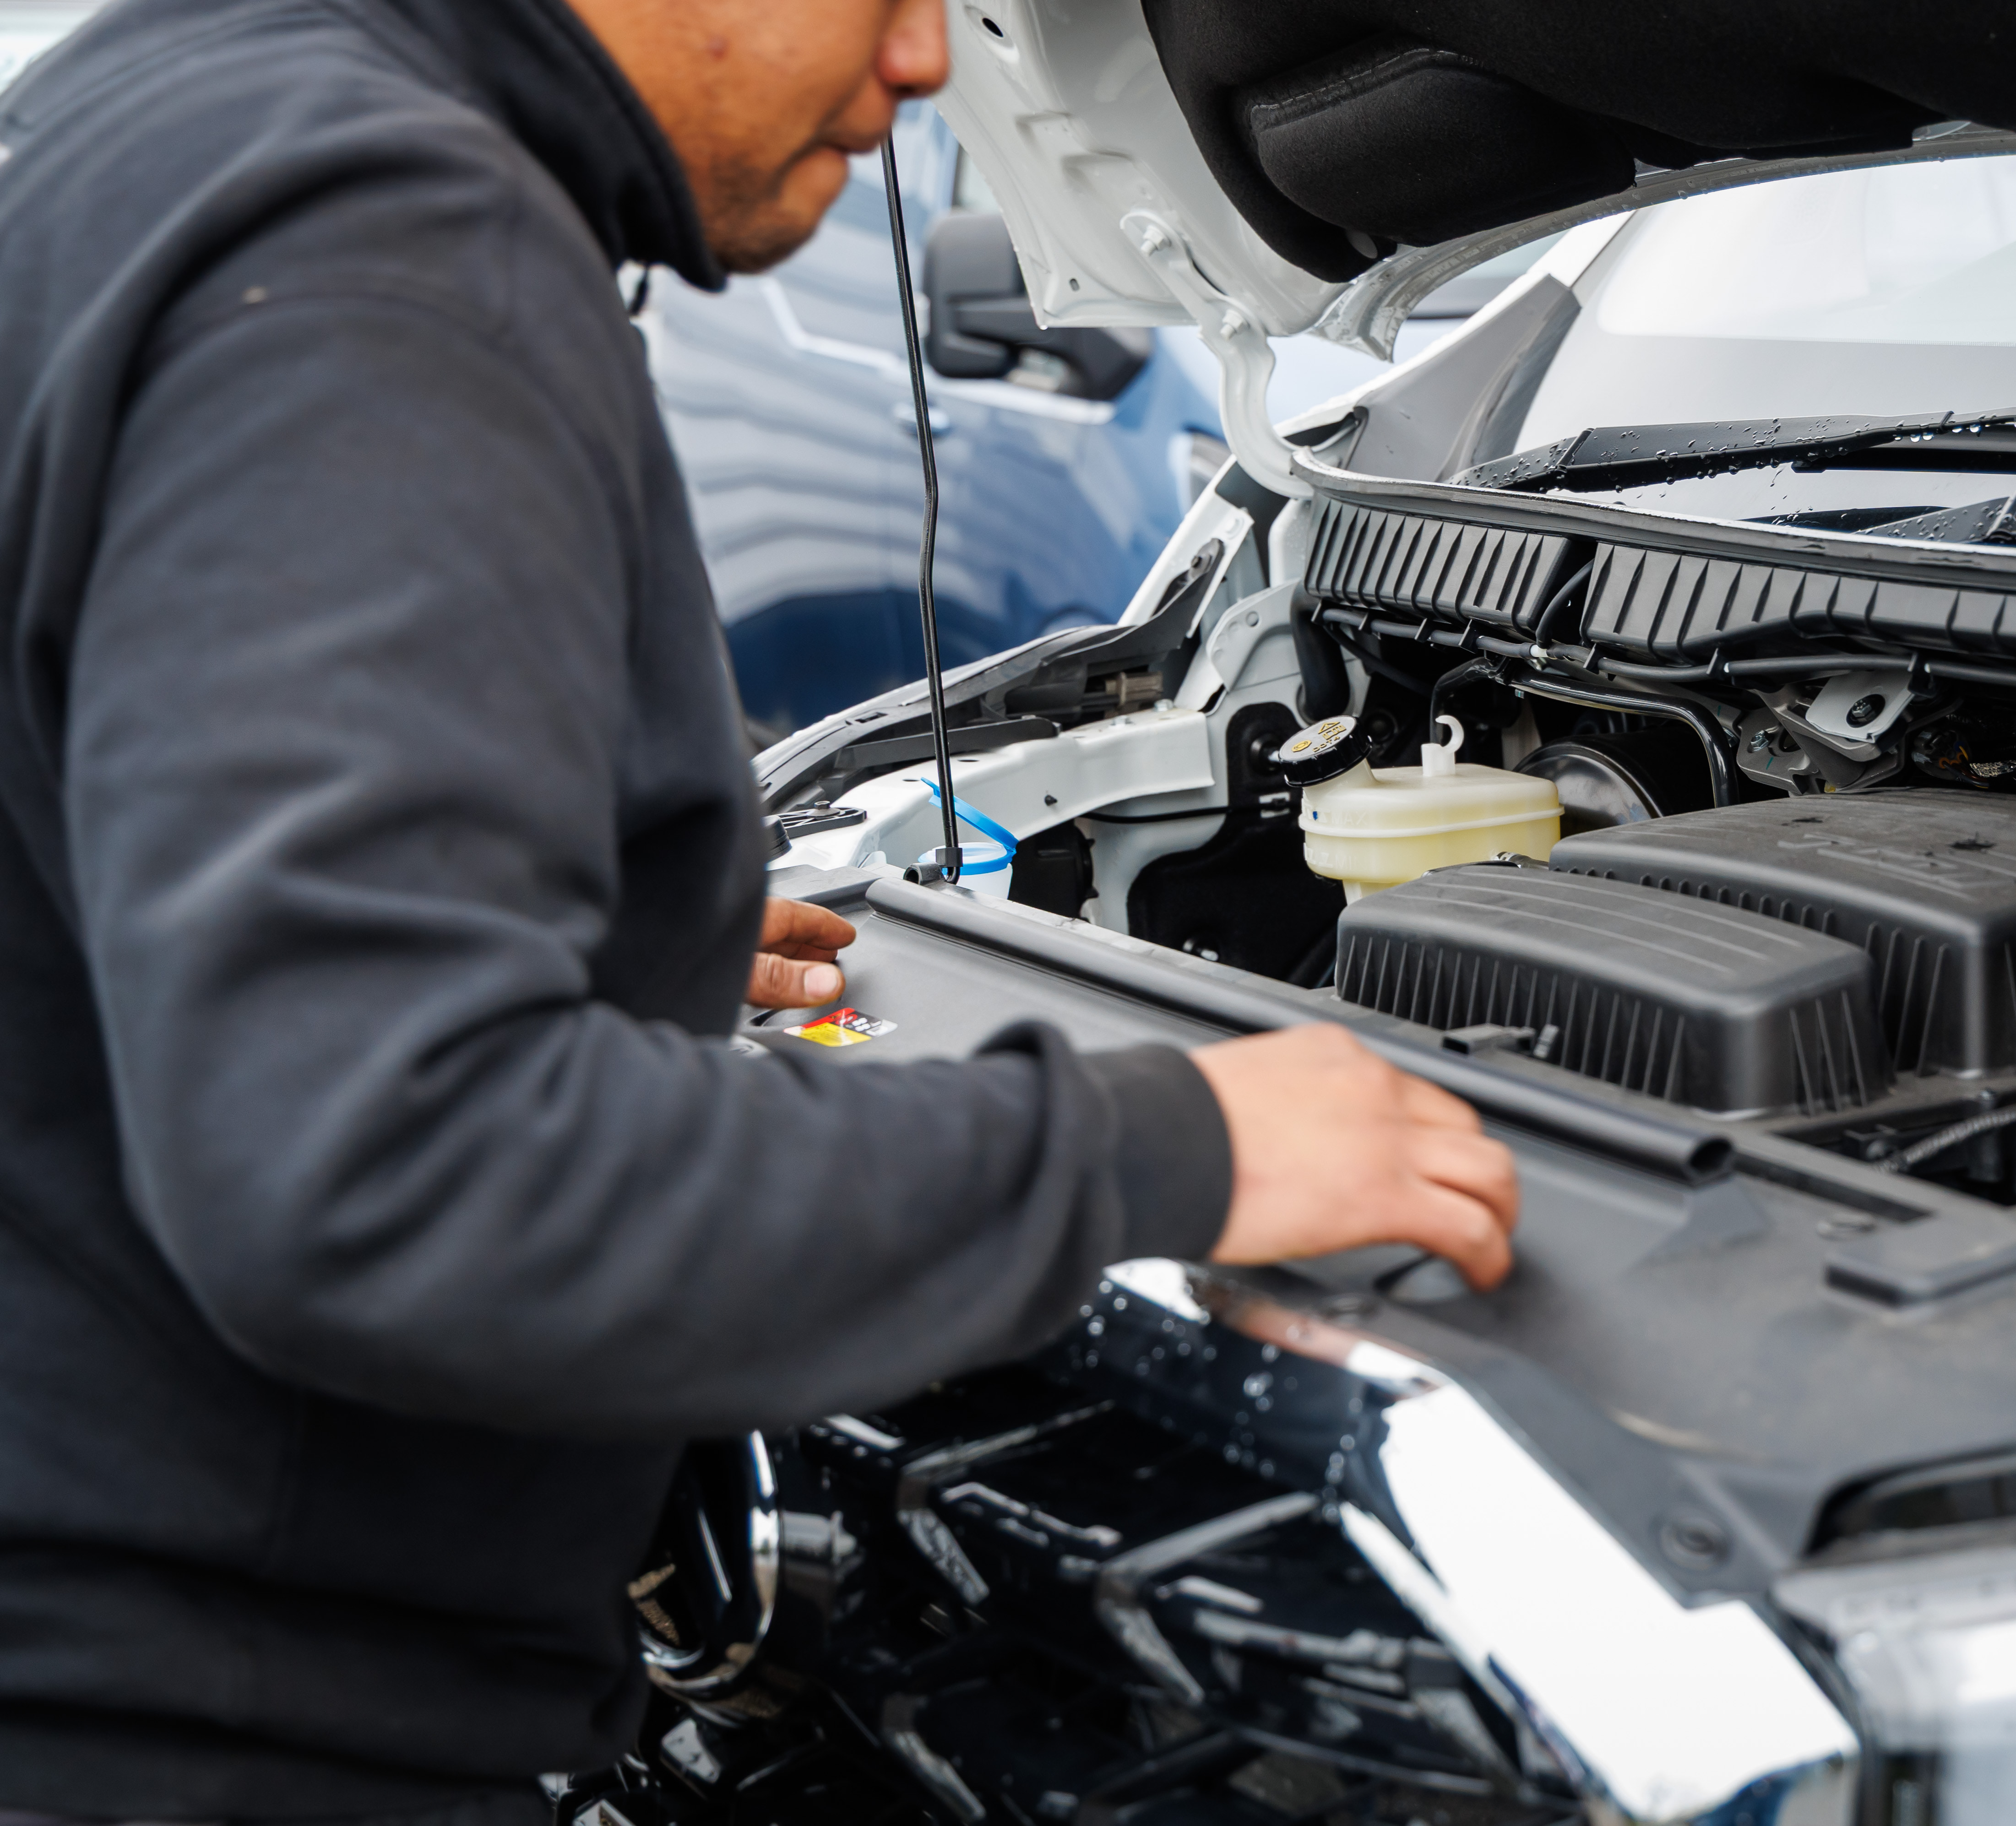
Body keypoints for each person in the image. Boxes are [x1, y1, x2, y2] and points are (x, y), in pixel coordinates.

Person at [0, 0, 1521, 1816]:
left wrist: (576, 939)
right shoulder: (388, 251)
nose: (928, 61)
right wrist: (1152, 1146)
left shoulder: (167, 108)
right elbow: (383, 1168)